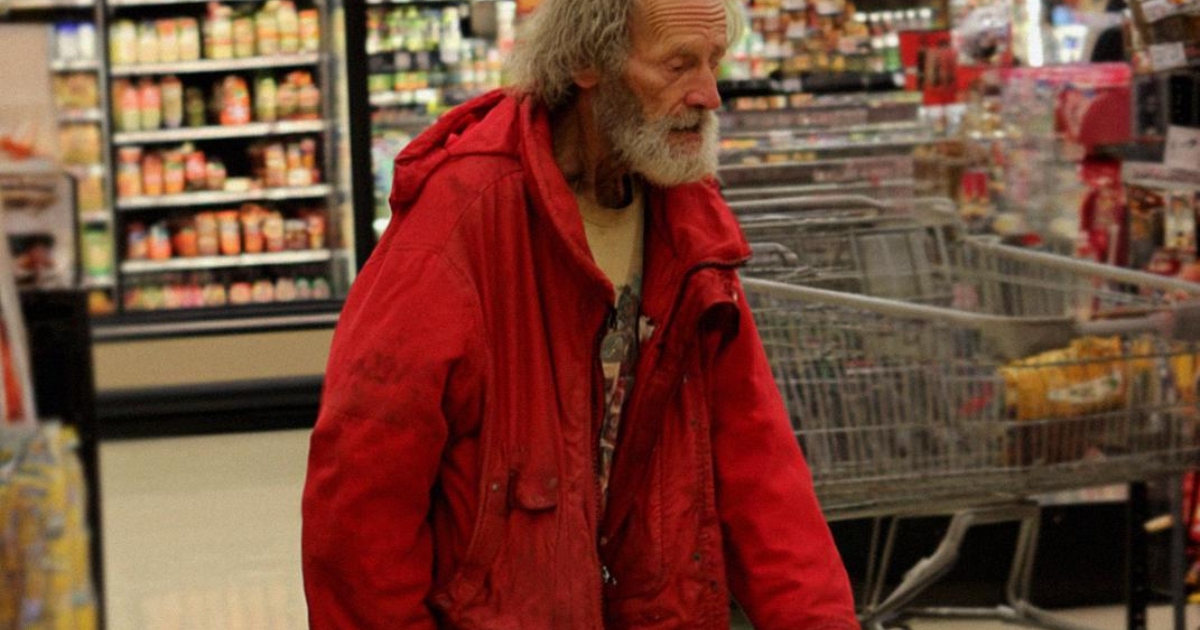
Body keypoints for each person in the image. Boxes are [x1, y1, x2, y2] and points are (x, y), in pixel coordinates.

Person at [301, 0, 858, 627]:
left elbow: (758, 462)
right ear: (586, 62)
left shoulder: (688, 220)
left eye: (713, 63)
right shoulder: (460, 219)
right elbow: (361, 495)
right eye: (677, 66)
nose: (709, 95)